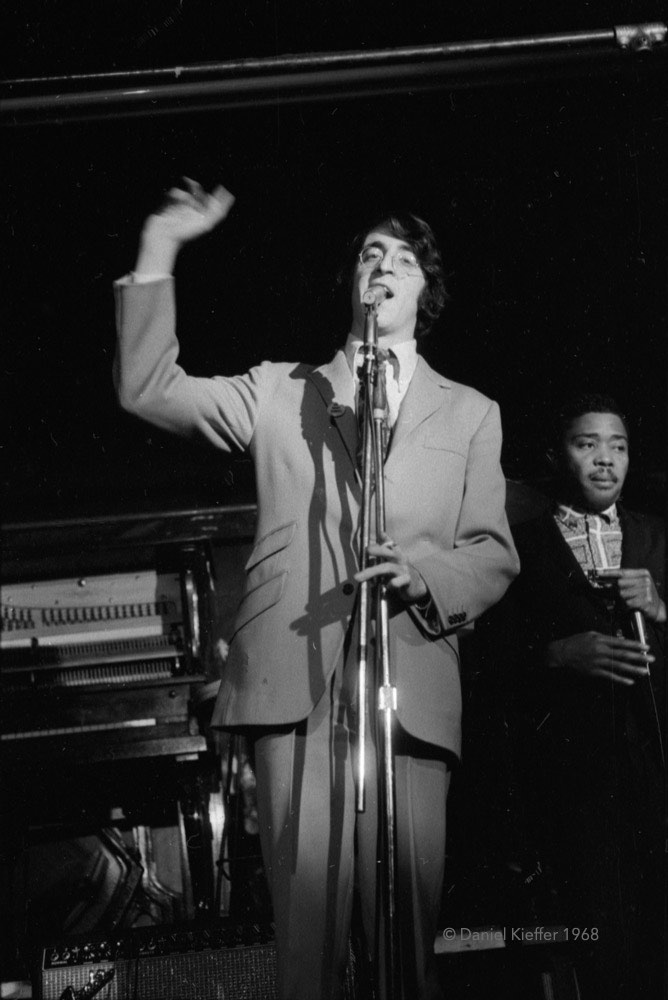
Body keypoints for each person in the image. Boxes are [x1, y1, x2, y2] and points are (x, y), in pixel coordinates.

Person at [113, 178, 519, 999]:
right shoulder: (279, 391)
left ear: (424, 289)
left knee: (409, 944)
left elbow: (493, 551)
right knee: (309, 949)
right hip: (296, 682)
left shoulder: (471, 412)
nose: (385, 266)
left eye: (404, 258)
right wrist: (160, 248)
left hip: (411, 682)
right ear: (353, 281)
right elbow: (147, 389)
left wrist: (425, 573)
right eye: (372, 253)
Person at [479, 394, 665, 1000]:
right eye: (587, 445)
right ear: (559, 455)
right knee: (600, 945)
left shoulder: (656, 536)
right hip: (571, 780)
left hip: (655, 768)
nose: (605, 460)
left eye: (618, 446)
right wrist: (558, 654)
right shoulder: (521, 546)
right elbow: (488, 664)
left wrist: (661, 608)